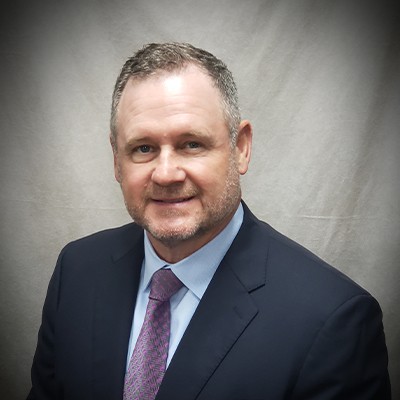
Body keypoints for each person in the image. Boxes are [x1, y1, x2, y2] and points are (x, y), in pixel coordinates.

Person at [27, 42, 391, 400]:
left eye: (191, 144)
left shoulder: (333, 319)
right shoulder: (76, 271)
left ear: (241, 148)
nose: (166, 174)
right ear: (116, 160)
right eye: (143, 148)